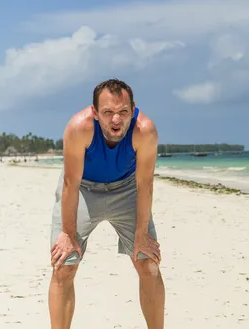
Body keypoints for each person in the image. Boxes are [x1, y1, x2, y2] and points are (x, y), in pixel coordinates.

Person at [48, 79, 165, 329]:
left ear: (133, 111)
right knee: (64, 265)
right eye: (108, 112)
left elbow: (145, 184)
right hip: (83, 189)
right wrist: (68, 234)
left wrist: (142, 234)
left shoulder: (145, 131)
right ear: (94, 112)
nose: (116, 120)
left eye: (123, 112)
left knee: (149, 264)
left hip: (127, 189)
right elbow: (71, 182)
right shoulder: (79, 127)